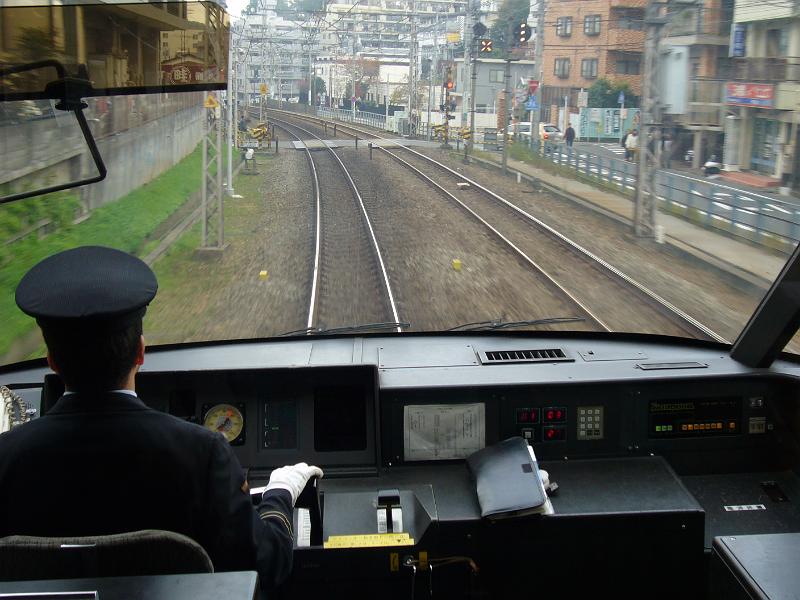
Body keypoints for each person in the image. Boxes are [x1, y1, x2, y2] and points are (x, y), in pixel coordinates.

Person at [0, 246, 322, 589]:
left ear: (51, 360)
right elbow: (267, 565)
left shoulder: (5, 461)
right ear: (140, 351)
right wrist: (279, 494)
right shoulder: (201, 456)